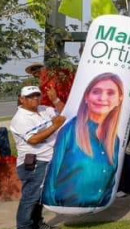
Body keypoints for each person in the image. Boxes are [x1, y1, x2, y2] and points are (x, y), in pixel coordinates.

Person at [43, 73, 125, 208]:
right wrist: (51, 202)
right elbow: (53, 172)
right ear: (86, 97)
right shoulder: (70, 131)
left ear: (119, 99)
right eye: (96, 92)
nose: (102, 98)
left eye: (110, 93)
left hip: (99, 206)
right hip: (67, 205)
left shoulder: (113, 139)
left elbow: (110, 177)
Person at [10, 86, 66, 229]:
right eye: (30, 96)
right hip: (34, 162)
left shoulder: (44, 109)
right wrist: (55, 125)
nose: (34, 99)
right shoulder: (20, 118)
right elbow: (33, 140)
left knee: (39, 196)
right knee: (30, 196)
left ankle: (37, 224)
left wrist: (55, 100)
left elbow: (64, 113)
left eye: (37, 95)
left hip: (47, 159)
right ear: (22, 99)